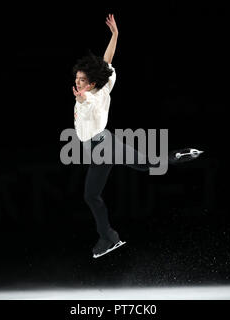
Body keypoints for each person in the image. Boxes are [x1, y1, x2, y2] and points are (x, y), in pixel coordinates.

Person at [72, 14, 203, 258]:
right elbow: (105, 61)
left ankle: (109, 237)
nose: (78, 84)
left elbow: (87, 100)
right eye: (76, 80)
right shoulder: (103, 85)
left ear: (90, 84)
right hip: (101, 147)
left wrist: (82, 97)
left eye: (82, 81)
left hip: (103, 146)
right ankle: (108, 238)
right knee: (108, 185)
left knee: (98, 191)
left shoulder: (91, 96)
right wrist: (115, 36)